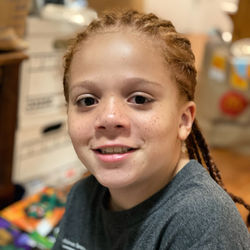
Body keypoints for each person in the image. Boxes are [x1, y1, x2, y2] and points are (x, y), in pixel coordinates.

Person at [53, 10, 250, 250]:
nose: (109, 117)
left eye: (139, 99)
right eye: (87, 101)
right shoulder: (82, 197)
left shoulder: (202, 222)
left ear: (183, 120)